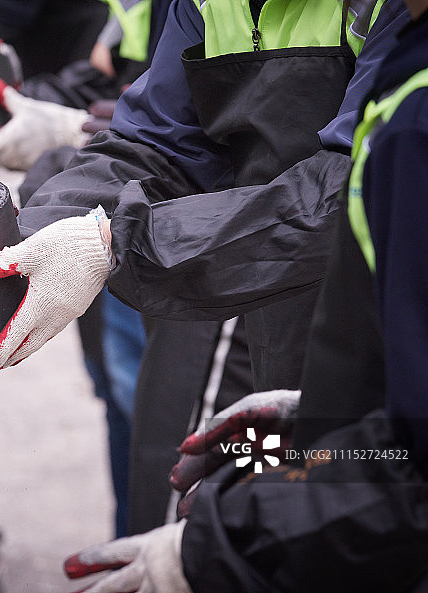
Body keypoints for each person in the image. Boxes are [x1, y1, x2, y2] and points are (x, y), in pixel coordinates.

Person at [60, 2, 428, 590]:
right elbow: (156, 136)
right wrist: (45, 233)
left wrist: (218, 543)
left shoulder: (413, 112)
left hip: (245, 277)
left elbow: (408, 471)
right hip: (296, 340)